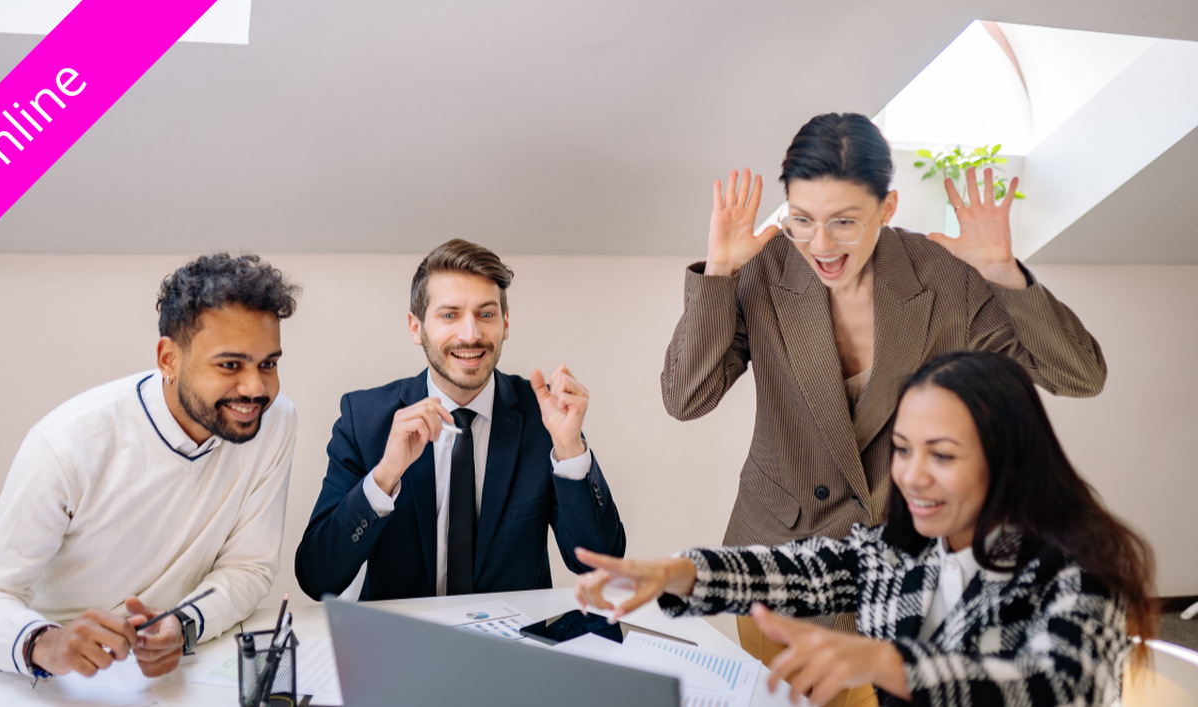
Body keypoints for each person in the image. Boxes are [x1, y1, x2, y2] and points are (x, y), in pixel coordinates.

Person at [660, 113, 1107, 643]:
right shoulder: (763, 269)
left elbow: (1080, 375)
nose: (820, 244)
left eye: (844, 221)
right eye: (801, 219)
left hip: (902, 573)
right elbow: (686, 398)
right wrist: (718, 274)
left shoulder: (943, 277)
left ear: (886, 208)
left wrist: (1004, 272)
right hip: (779, 566)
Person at [579, 351, 1155, 707]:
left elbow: (1058, 688)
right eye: (902, 450)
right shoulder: (899, 552)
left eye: (943, 455)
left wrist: (882, 662)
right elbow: (798, 571)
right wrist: (681, 572)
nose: (911, 476)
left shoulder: (1077, 570)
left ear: (1007, 459)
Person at [0, 253, 300, 681]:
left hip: (176, 674)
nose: (255, 387)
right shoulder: (68, 443)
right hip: (54, 679)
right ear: (168, 359)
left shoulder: (274, 420)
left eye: (268, 363)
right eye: (230, 364)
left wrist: (183, 623)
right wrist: (48, 644)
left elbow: (249, 566)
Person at [296, 238, 626, 601]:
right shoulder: (364, 419)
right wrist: (384, 476)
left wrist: (569, 450)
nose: (471, 335)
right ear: (415, 327)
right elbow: (316, 577)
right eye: (449, 315)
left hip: (512, 647)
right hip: (401, 647)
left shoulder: (543, 415)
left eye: (486, 314)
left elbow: (601, 566)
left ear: (505, 323)